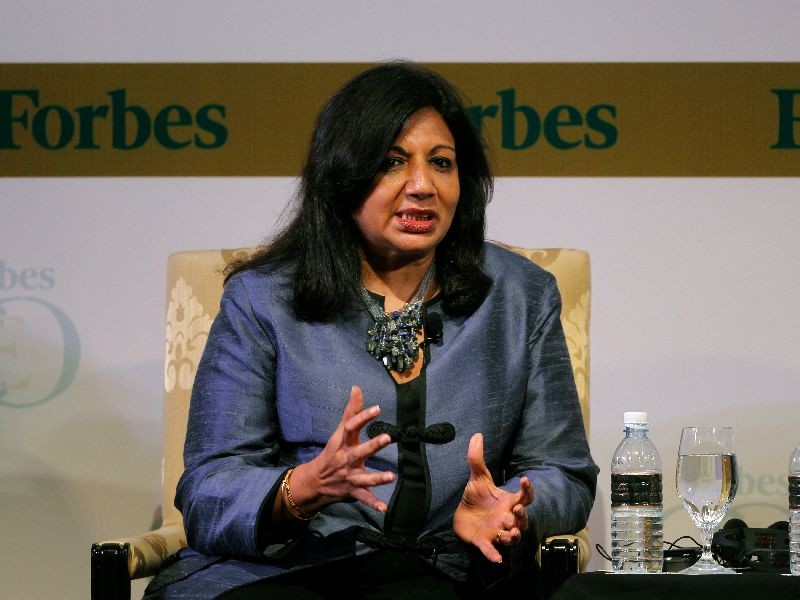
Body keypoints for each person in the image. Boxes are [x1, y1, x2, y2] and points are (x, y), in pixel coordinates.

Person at [145, 61, 598, 599]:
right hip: (287, 571)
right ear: (344, 175)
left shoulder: (520, 296)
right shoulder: (263, 298)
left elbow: (562, 472)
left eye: (442, 163)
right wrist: (300, 490)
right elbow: (208, 490)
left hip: (449, 571)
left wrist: (515, 506)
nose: (423, 186)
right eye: (392, 163)